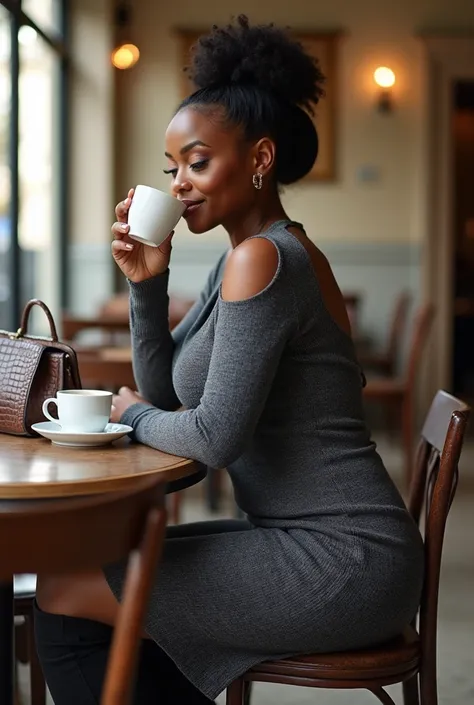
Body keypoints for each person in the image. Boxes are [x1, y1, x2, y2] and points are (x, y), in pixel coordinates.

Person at [34, 16, 424, 705]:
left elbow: (211, 437)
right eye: (172, 168)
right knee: (84, 574)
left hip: (342, 559)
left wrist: (132, 413)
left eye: (197, 160)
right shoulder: (241, 259)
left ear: (260, 158)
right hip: (309, 541)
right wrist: (146, 283)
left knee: (65, 593)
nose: (180, 183)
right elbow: (172, 391)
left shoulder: (264, 258)